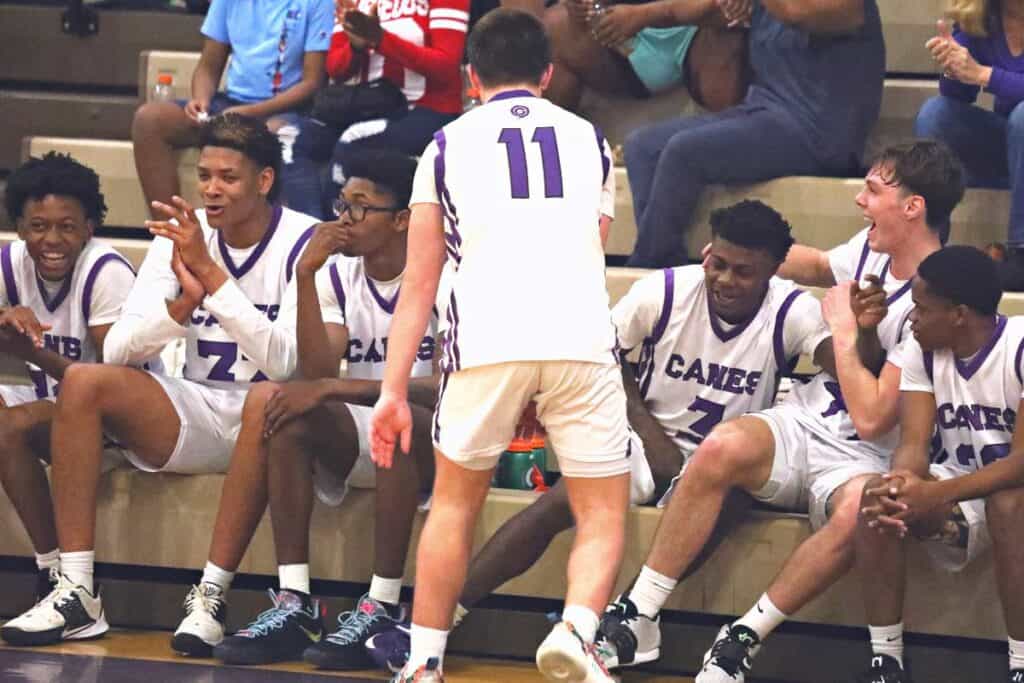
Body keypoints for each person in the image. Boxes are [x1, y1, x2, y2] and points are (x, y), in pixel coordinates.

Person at [363, 199, 837, 672]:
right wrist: (652, 437)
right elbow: (604, 355)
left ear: (774, 270)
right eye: (719, 264)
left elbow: (848, 367)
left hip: (725, 460)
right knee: (564, 498)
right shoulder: (666, 291)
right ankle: (440, 621)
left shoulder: (792, 311)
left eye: (744, 272)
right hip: (648, 440)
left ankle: (623, 624)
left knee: (737, 493)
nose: (725, 280)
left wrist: (862, 328)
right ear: (707, 253)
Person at [597, 140, 966, 683]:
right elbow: (812, 262)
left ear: (912, 207)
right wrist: (736, 253)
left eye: (873, 190)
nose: (859, 200)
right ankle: (639, 616)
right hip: (808, 421)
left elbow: (873, 417)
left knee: (857, 511)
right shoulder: (870, 250)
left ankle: (742, 638)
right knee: (723, 446)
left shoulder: (934, 298)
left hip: (867, 452)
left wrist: (844, 331)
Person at [371, 8, 627, 682]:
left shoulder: (445, 145)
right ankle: (577, 628)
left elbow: (419, 284)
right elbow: (590, 244)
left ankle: (423, 662)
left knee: (455, 505)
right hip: (579, 337)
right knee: (602, 509)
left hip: (485, 339)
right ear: (548, 73)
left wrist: (393, 392)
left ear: (470, 77)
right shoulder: (592, 140)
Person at [0, 114, 318, 647]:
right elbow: (119, 350)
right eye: (205, 175)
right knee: (86, 381)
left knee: (266, 396)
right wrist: (183, 306)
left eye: (228, 178)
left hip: (273, 419)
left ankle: (211, 597)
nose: (211, 189)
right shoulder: (180, 235)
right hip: (194, 409)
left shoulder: (304, 240)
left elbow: (286, 363)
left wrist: (210, 277)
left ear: (264, 180)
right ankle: (76, 590)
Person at [168, 149, 442, 670]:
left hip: (437, 439)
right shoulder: (337, 275)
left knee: (397, 419)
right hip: (366, 431)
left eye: (361, 207)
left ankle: (383, 604)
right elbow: (317, 373)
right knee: (284, 408)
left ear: (402, 219)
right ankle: (295, 602)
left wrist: (348, 390)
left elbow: (450, 383)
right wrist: (307, 273)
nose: (344, 218)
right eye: (342, 204)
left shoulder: (444, 274)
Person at [853, 246, 1024, 683]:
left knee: (1008, 504)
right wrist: (902, 485)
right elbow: (913, 444)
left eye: (922, 309)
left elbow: (1021, 464)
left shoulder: (1020, 346)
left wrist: (935, 493)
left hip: (1011, 488)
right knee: (878, 496)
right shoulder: (922, 350)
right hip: (963, 483)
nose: (912, 318)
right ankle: (886, 661)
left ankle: (1021, 664)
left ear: (959, 314)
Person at [611, 0, 884, 268]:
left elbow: (796, 13)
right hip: (764, 110)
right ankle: (664, 262)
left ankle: (650, 264)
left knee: (684, 152)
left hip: (818, 133)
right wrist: (642, 14)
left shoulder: (849, 6)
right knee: (642, 147)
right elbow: (705, 9)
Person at [0, 153, 139, 611]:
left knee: (9, 426)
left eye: (67, 227)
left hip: (120, 419)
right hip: (53, 404)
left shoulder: (106, 271)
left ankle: (53, 573)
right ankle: (53, 572)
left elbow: (111, 383)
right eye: (39, 226)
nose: (52, 240)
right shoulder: (9, 263)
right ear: (20, 228)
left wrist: (29, 350)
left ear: (89, 229)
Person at [132, 0, 333, 217]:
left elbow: (313, 83)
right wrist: (201, 100)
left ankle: (308, 234)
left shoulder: (318, 3)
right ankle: (171, 230)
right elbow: (208, 67)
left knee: (281, 133)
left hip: (289, 109)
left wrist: (250, 113)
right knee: (150, 120)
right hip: (232, 103)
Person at [279, 0, 469, 219]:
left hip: (422, 109)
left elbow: (446, 67)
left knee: (353, 141)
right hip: (361, 106)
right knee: (288, 139)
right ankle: (310, 229)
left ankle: (336, 233)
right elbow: (335, 69)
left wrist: (381, 39)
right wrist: (356, 46)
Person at [914, 5, 1024, 290]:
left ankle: (1021, 254)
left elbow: (982, 76)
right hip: (1012, 149)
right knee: (935, 115)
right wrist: (953, 65)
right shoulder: (983, 15)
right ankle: (929, 244)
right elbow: (956, 95)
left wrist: (985, 74)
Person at [541, 0, 748, 114]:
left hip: (701, 27)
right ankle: (552, 152)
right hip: (624, 26)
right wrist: (577, 5)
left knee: (730, 16)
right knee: (549, 30)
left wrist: (645, 15)